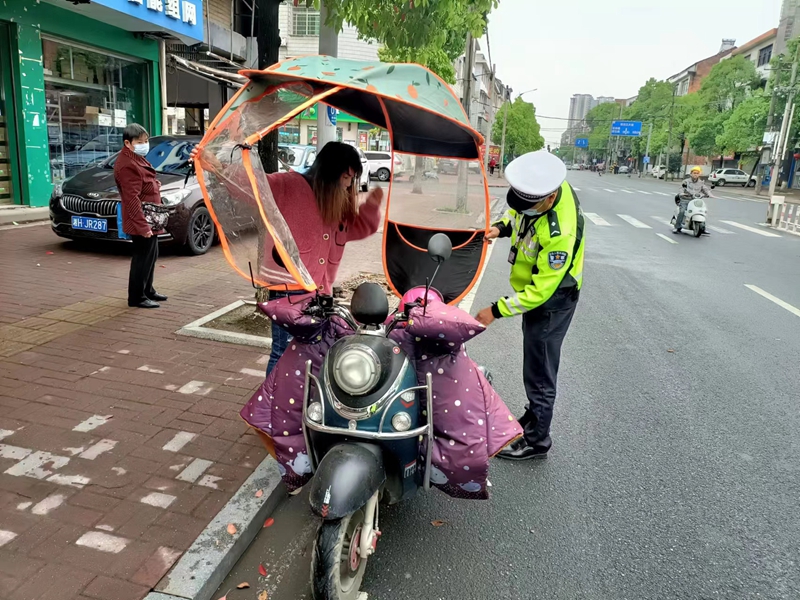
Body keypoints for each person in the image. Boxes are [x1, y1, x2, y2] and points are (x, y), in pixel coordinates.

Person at [191, 142, 383, 375]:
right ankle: (274, 407)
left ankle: (299, 401)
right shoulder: (288, 185)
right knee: (283, 351)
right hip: (287, 288)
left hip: (319, 292)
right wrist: (218, 166)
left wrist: (371, 206)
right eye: (347, 177)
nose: (349, 185)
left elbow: (355, 228)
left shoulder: (336, 202)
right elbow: (253, 185)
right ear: (332, 171)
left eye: (351, 179)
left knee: (312, 351)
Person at [475, 150, 585, 460]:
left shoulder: (559, 232)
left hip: (553, 300)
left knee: (540, 370)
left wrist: (495, 310)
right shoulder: (540, 190)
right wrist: (501, 226)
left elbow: (540, 293)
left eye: (532, 205)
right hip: (540, 294)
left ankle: (538, 440)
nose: (525, 208)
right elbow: (518, 212)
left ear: (549, 199)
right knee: (534, 362)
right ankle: (534, 416)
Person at [115, 123, 167, 309]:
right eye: (140, 142)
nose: (144, 145)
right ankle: (137, 297)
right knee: (142, 258)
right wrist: (143, 226)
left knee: (151, 255)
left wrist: (154, 185)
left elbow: (144, 182)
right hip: (141, 218)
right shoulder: (127, 164)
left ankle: (148, 290)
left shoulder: (137, 158)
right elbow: (131, 199)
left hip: (149, 215)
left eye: (146, 141)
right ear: (128, 143)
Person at [673, 166, 710, 234]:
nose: (695, 174)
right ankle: (677, 227)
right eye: (694, 173)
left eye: (697, 173)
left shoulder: (701, 182)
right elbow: (681, 188)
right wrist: (682, 193)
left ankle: (702, 228)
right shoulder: (686, 181)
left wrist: (709, 194)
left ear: (699, 174)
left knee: (702, 210)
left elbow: (705, 189)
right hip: (686, 200)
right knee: (682, 211)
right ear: (691, 174)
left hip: (696, 200)